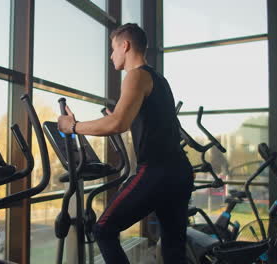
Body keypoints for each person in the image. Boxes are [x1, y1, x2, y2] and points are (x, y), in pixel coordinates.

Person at [58, 23, 193, 264]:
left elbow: (117, 124)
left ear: (125, 45)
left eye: (113, 49)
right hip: (179, 171)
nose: (111, 56)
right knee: (174, 252)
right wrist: (121, 117)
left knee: (103, 229)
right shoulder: (158, 79)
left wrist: (73, 127)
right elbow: (147, 122)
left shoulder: (136, 75)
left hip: (157, 170)